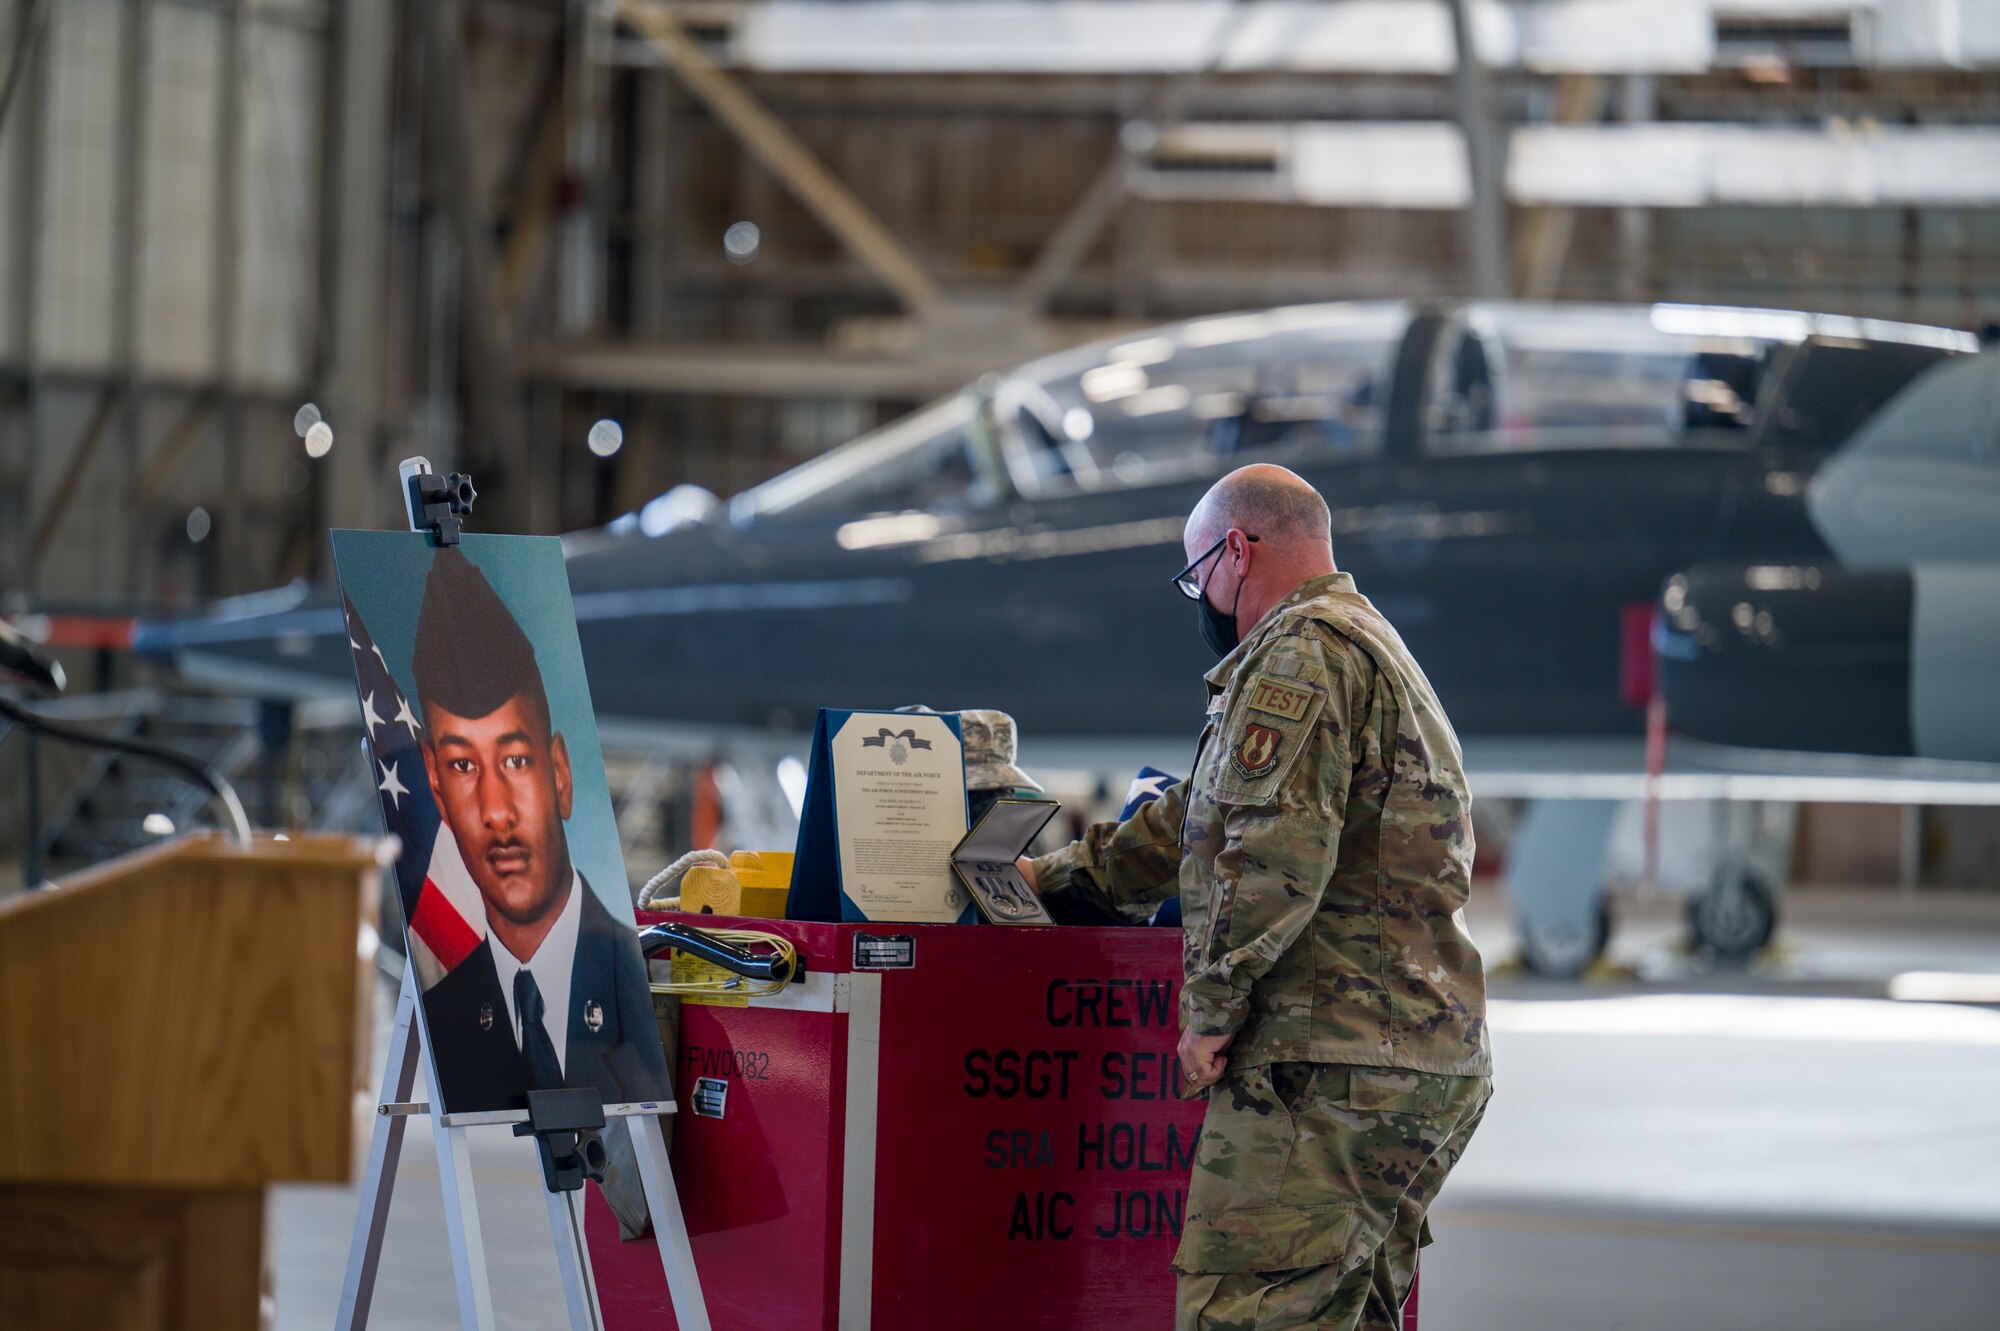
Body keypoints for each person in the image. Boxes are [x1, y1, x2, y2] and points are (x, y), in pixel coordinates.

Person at [1021, 464, 1492, 1331]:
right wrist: (1046, 881)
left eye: (1197, 574)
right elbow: (1195, 818)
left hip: (1324, 1068)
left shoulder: (1298, 651)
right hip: (1412, 1060)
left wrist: (1210, 1011)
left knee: (1239, 1313)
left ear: (1236, 550)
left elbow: (1272, 850)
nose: (1199, 596)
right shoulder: (1370, 644)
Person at [411, 547, 670, 1113]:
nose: (496, 811)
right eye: (462, 766)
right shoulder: (446, 1016)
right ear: (435, 788)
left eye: (515, 760)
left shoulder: (637, 995)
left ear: (560, 773)